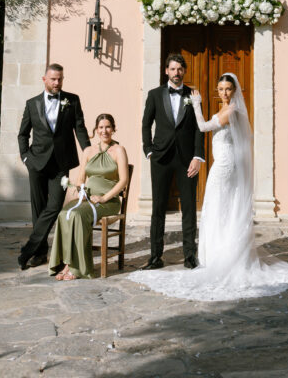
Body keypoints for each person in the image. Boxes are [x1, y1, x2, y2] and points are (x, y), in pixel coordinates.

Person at [131, 73, 288, 300]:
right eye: (220, 89)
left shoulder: (232, 111)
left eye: (228, 89)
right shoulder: (226, 110)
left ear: (234, 90)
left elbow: (201, 127)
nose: (224, 93)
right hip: (220, 164)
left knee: (218, 207)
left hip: (225, 166)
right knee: (220, 208)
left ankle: (222, 256)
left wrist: (197, 105)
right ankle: (217, 252)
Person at [17, 63, 90, 269]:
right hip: (37, 163)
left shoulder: (72, 100)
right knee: (38, 209)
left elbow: (80, 128)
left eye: (60, 79)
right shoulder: (32, 104)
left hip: (61, 164)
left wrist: (88, 152)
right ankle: (39, 254)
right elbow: (23, 134)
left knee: (55, 207)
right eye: (53, 79)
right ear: (44, 79)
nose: (57, 82)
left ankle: (28, 250)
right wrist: (25, 157)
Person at [141, 52, 205, 270]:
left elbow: (199, 127)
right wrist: (148, 150)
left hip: (187, 160)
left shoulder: (194, 95)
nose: (176, 73)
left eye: (180, 69)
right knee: (158, 208)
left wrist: (198, 157)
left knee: (188, 207)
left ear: (184, 71)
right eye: (173, 69)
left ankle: (189, 256)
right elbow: (145, 123)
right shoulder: (154, 95)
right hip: (160, 158)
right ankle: (155, 256)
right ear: (166, 71)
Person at [49, 113, 129, 280]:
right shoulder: (88, 151)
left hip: (108, 201)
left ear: (113, 129)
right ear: (96, 130)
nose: (104, 131)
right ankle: (65, 263)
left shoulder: (119, 150)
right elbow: (81, 178)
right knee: (64, 214)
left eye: (108, 127)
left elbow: (123, 181)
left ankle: (77, 268)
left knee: (77, 216)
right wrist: (80, 191)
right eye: (101, 127)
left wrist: (104, 198)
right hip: (86, 199)